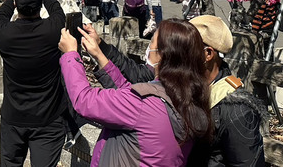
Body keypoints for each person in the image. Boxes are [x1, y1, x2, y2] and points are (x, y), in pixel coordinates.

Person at [82, 15, 266, 166]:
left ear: (207, 54)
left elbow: (246, 162)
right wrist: (101, 48)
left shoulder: (235, 107)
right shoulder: (176, 84)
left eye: (184, 47)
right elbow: (135, 78)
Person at [58, 19, 211, 166]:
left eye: (151, 42)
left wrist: (70, 55)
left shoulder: (143, 106)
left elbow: (85, 101)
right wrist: (99, 55)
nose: (149, 48)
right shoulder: (190, 97)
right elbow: (128, 93)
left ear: (162, 55)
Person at [0, 0, 68, 167]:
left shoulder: (4, 34)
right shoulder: (52, 30)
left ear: (17, 5)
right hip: (48, 119)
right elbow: (57, 10)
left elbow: (1, 16)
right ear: (40, 4)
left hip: (13, 118)